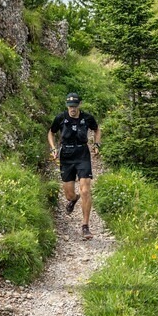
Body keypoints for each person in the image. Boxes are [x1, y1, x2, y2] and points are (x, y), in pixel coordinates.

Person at [48, 92, 101, 240]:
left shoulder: (87, 118)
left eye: (75, 106)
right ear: (67, 105)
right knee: (69, 194)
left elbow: (97, 129)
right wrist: (53, 148)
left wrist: (97, 145)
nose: (72, 108)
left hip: (82, 153)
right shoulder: (60, 118)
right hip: (66, 155)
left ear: (79, 105)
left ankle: (85, 226)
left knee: (85, 190)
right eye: (70, 106)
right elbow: (51, 133)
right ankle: (74, 199)